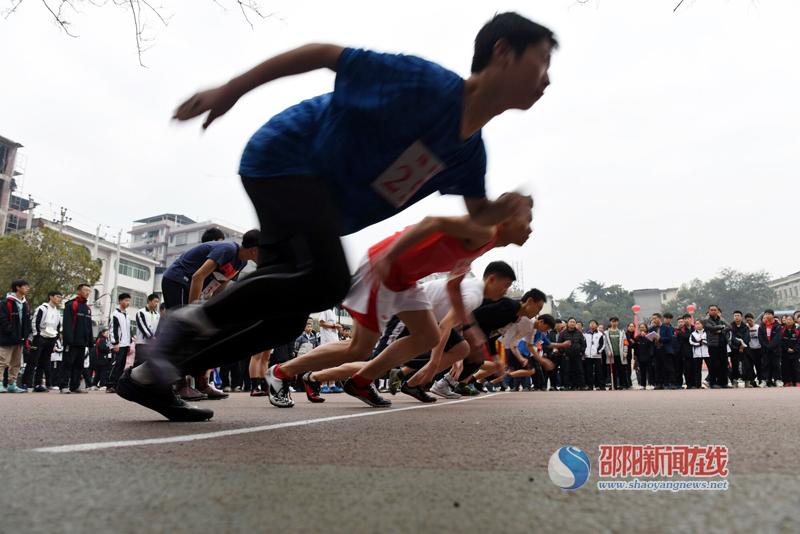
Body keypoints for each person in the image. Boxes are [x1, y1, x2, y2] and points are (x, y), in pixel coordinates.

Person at [120, 13, 556, 422]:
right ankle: (185, 321)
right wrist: (232, 89)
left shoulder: (469, 153)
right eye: (541, 62)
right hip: (285, 157)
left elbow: (479, 214)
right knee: (327, 280)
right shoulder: (427, 85)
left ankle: (152, 376)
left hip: (317, 208)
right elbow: (325, 53)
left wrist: (509, 208)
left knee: (285, 319)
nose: (547, 79)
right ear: (502, 52)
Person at [267, 211, 531, 408]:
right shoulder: (482, 230)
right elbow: (432, 222)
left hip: (406, 280)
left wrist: (471, 330)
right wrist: (390, 257)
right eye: (526, 220)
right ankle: (281, 372)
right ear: (507, 220)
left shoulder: (482, 246)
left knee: (429, 337)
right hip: (385, 266)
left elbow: (453, 285)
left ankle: (360, 382)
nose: (529, 228)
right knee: (358, 348)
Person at [22, 290, 62, 392]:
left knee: (44, 362)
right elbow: (35, 321)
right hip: (40, 337)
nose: (59, 299)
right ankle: (26, 383)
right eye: (57, 296)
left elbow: (58, 325)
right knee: (33, 361)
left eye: (60, 297)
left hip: (51, 338)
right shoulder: (42, 308)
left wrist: (55, 336)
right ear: (51, 297)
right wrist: (37, 335)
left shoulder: (57, 312)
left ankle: (38, 384)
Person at [0, 279, 32, 393]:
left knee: (16, 363)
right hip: (6, 339)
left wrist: (26, 334)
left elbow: (27, 321)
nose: (28, 288)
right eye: (25, 286)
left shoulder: (25, 304)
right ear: (18, 287)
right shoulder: (6, 302)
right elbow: (2, 320)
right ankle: (0, 383)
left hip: (20, 339)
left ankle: (11, 384)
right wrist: (10, 332)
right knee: (3, 361)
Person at [60, 284, 93, 394]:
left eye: (89, 291)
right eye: (85, 290)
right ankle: (64, 386)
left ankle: (75, 386)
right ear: (79, 291)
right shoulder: (71, 304)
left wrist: (89, 342)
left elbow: (89, 327)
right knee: (67, 364)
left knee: (79, 365)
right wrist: (68, 340)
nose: (87, 292)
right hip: (72, 342)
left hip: (82, 343)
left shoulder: (87, 308)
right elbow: (67, 324)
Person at [105, 293, 133, 393]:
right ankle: (109, 385)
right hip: (118, 344)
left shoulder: (127, 315)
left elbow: (129, 330)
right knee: (115, 364)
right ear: (120, 301)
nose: (127, 302)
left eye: (129, 301)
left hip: (125, 344)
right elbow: (113, 329)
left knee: (121, 365)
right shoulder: (115, 314)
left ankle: (116, 385)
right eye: (125, 300)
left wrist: (129, 342)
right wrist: (115, 343)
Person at [702, 305, 730, 389]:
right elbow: (711, 328)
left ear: (718, 311)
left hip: (723, 344)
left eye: (715, 310)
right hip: (713, 345)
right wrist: (721, 327)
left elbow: (730, 326)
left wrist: (720, 330)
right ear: (709, 311)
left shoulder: (721, 319)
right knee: (714, 365)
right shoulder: (706, 320)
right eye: (711, 310)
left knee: (724, 364)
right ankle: (713, 383)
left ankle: (723, 383)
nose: (713, 311)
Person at [558, 318, 586, 390]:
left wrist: (581, 352)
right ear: (568, 323)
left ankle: (579, 386)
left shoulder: (579, 333)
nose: (572, 323)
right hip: (566, 355)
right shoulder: (562, 333)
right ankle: (567, 386)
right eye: (571, 322)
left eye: (574, 322)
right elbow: (559, 344)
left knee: (579, 370)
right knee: (566, 371)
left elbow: (583, 344)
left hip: (577, 355)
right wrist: (562, 352)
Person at [758, 309, 783, 387]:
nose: (767, 315)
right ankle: (764, 380)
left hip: (775, 350)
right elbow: (761, 338)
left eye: (769, 314)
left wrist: (770, 346)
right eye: (766, 314)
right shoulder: (761, 326)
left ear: (772, 315)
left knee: (776, 365)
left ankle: (778, 380)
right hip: (765, 350)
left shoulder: (778, 326)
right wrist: (766, 346)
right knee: (765, 365)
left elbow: (778, 338)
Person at [604, 316, 629, 390]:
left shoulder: (621, 332)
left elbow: (625, 343)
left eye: (615, 321)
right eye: (612, 321)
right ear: (610, 322)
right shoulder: (606, 333)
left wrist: (625, 351)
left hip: (620, 355)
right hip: (611, 355)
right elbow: (606, 344)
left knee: (621, 370)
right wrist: (608, 351)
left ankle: (622, 385)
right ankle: (614, 385)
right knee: (613, 371)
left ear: (617, 322)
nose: (614, 323)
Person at [729, 310, 752, 387]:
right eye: (735, 316)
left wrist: (743, 345)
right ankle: (735, 381)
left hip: (745, 349)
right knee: (735, 365)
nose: (737, 317)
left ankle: (747, 381)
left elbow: (747, 337)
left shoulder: (745, 326)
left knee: (747, 365)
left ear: (741, 317)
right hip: (734, 349)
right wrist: (739, 344)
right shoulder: (730, 326)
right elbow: (731, 337)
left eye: (738, 315)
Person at [583, 319, 605, 390]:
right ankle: (590, 386)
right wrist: (584, 352)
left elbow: (603, 344)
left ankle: (600, 386)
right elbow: (583, 344)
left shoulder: (600, 334)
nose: (592, 325)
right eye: (591, 323)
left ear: (597, 325)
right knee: (589, 372)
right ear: (589, 325)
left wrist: (598, 351)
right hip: (588, 356)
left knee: (599, 371)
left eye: (594, 323)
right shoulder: (585, 334)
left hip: (597, 356)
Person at [634, 323, 656, 389]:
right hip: (640, 356)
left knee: (650, 371)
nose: (642, 328)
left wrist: (646, 336)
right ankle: (643, 384)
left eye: (643, 327)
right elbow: (635, 347)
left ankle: (651, 384)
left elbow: (652, 345)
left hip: (649, 356)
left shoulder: (650, 336)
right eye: (640, 327)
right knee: (642, 371)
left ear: (646, 328)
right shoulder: (637, 337)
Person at [688, 320, 709, 389]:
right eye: (695, 324)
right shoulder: (693, 334)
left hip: (707, 353)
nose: (697, 325)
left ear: (702, 325)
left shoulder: (707, 332)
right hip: (697, 354)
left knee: (711, 368)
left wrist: (704, 341)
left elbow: (710, 341)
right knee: (697, 370)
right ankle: (698, 385)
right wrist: (699, 343)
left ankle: (711, 383)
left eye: (698, 324)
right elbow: (691, 342)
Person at [780, 315, 799, 386]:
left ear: (793, 321)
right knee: (785, 367)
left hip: (795, 353)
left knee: (796, 368)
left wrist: (794, 349)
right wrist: (787, 348)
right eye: (787, 319)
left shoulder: (797, 331)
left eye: (790, 319)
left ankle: (797, 381)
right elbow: (781, 341)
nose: (789, 321)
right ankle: (787, 381)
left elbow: (798, 342)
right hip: (785, 353)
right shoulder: (782, 330)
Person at [745, 313, 762, 387]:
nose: (749, 322)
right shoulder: (745, 328)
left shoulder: (758, 327)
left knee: (759, 366)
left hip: (759, 349)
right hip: (750, 350)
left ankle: (761, 380)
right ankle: (752, 381)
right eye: (747, 320)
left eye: (750, 320)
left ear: (753, 320)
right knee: (750, 367)